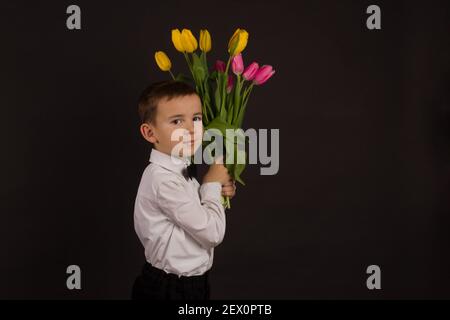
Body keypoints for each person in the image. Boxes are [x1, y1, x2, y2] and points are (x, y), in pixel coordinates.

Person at [132, 80, 236, 300]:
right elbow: (212, 233)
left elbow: (194, 212)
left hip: (193, 284)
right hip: (168, 290)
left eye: (196, 118)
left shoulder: (180, 168)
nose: (191, 129)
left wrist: (215, 191)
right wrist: (211, 184)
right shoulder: (163, 181)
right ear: (150, 133)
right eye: (177, 121)